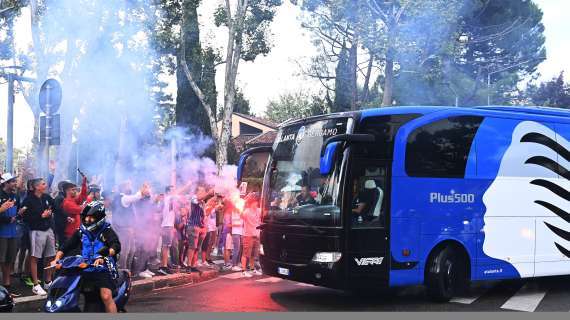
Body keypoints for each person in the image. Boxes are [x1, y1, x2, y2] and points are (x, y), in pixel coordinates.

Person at [51, 201, 121, 313]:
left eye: (91, 218)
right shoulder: (81, 231)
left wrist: (103, 256)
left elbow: (115, 245)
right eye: (86, 218)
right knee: (68, 290)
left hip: (102, 268)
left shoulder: (106, 231)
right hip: (84, 267)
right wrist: (56, 259)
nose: (87, 220)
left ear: (99, 217)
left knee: (106, 296)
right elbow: (65, 246)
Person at [21, 178, 55, 295]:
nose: (45, 185)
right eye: (43, 184)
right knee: (35, 257)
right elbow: (24, 217)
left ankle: (48, 281)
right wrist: (41, 216)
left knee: (51, 256)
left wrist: (50, 213)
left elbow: (55, 207)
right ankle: (36, 284)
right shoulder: (28, 200)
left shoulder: (46, 197)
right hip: (36, 231)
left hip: (49, 229)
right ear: (36, 187)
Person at [112, 181, 150, 270]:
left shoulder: (123, 197)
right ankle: (122, 271)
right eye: (128, 185)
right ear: (123, 188)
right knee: (124, 251)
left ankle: (128, 271)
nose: (130, 187)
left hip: (127, 229)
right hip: (124, 229)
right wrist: (143, 188)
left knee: (131, 250)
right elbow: (137, 196)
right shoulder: (123, 198)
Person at [0, 173, 27, 296]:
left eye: (15, 181)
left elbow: (17, 212)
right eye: (12, 182)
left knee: (10, 259)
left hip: (13, 232)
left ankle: (7, 285)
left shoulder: (15, 195)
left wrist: (20, 213)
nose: (15, 184)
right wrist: (5, 217)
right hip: (2, 232)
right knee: (1, 258)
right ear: (5, 183)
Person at [185, 185, 208, 273]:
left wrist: (204, 227)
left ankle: (193, 265)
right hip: (193, 226)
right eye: (201, 191)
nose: (203, 193)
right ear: (197, 192)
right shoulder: (194, 198)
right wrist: (208, 194)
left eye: (204, 191)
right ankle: (188, 266)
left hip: (201, 227)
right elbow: (196, 202)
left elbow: (204, 215)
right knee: (192, 247)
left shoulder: (202, 202)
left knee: (197, 248)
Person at [241, 193, 262, 277]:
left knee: (253, 255)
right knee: (245, 254)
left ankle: (252, 269)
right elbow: (240, 214)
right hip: (248, 236)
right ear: (250, 203)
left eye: (256, 202)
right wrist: (245, 201)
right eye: (254, 202)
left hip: (256, 236)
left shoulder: (259, 210)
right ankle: (243, 270)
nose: (256, 204)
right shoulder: (246, 212)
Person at [62, 177, 88, 243]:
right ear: (67, 191)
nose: (75, 191)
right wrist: (85, 205)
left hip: (76, 231)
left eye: (75, 190)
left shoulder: (73, 200)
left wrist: (84, 183)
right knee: (73, 252)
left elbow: (83, 196)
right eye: (73, 190)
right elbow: (80, 210)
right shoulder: (67, 202)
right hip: (71, 233)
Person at [158, 186, 176, 276]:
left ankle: (163, 266)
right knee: (166, 247)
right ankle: (163, 267)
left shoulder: (168, 199)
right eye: (173, 190)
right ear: (168, 191)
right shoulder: (168, 198)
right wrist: (188, 185)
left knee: (166, 246)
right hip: (167, 226)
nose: (174, 192)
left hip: (168, 225)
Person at [230, 202, 244, 271]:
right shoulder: (234, 213)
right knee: (236, 249)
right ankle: (233, 265)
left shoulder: (239, 213)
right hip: (236, 233)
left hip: (240, 233)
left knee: (239, 249)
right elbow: (235, 224)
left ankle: (237, 263)